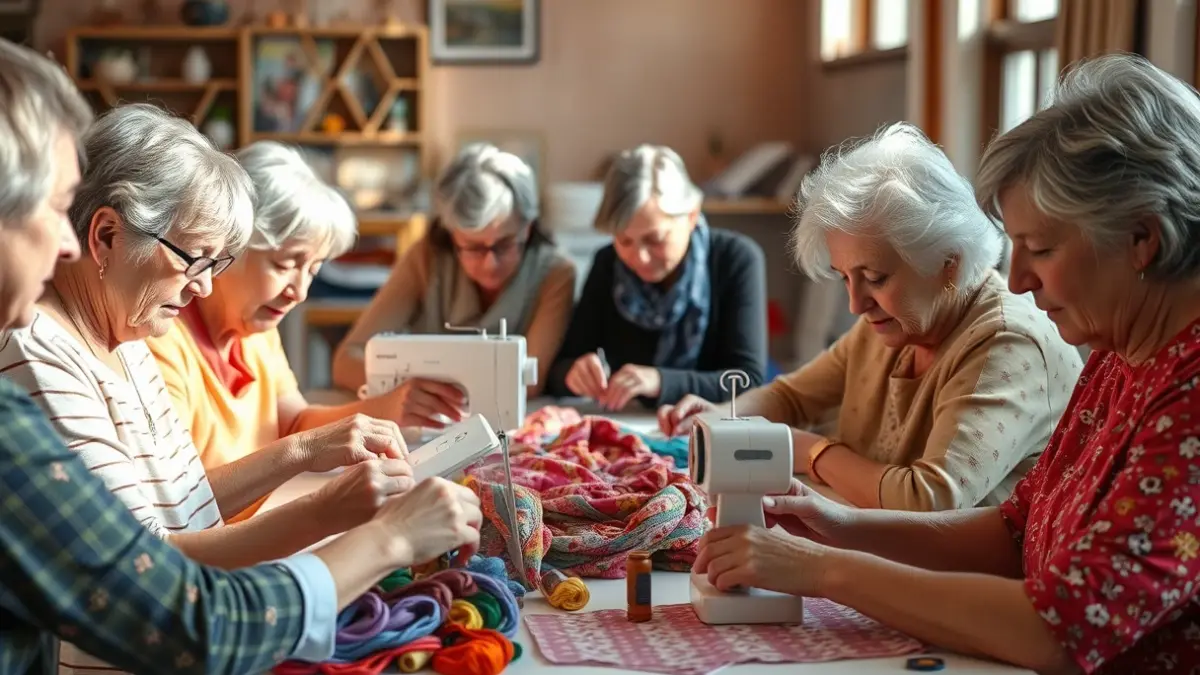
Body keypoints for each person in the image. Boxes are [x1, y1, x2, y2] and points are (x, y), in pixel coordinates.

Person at [697, 54, 1200, 674]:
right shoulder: (1120, 355)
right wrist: (838, 525)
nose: (1019, 279)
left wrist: (823, 569)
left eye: (1040, 249)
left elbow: (1061, 631)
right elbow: (1018, 531)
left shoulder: (1188, 394)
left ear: (1142, 239)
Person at [0, 37, 481, 675]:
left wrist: (309, 457)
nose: (203, 286)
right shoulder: (37, 357)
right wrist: (373, 532)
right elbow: (165, 592)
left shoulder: (128, 335)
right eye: (194, 259)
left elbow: (188, 507)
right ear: (107, 235)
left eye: (215, 263)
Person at [662, 123, 1083, 512]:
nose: (856, 305)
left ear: (948, 263)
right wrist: (723, 417)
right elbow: (790, 397)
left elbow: (928, 501)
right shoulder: (893, 325)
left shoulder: (1007, 344)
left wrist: (808, 451)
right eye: (845, 278)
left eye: (876, 278)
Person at [145, 140, 468, 522]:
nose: (299, 292)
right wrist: (303, 451)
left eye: (313, 269)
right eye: (285, 265)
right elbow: (179, 502)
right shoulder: (161, 342)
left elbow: (294, 422)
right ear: (227, 244)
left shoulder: (256, 331)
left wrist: (392, 407)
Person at [332, 143, 576, 400]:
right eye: (473, 247)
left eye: (504, 244)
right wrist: (409, 391)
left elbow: (528, 383)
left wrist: (437, 390)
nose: (490, 263)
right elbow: (346, 361)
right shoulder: (426, 258)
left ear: (528, 228)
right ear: (451, 234)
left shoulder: (555, 274)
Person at [545, 144, 768, 410]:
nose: (640, 257)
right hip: (630, 425)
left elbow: (747, 380)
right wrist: (574, 373)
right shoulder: (607, 263)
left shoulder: (735, 259)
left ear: (691, 215)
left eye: (655, 240)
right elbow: (559, 369)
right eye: (624, 241)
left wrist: (661, 381)